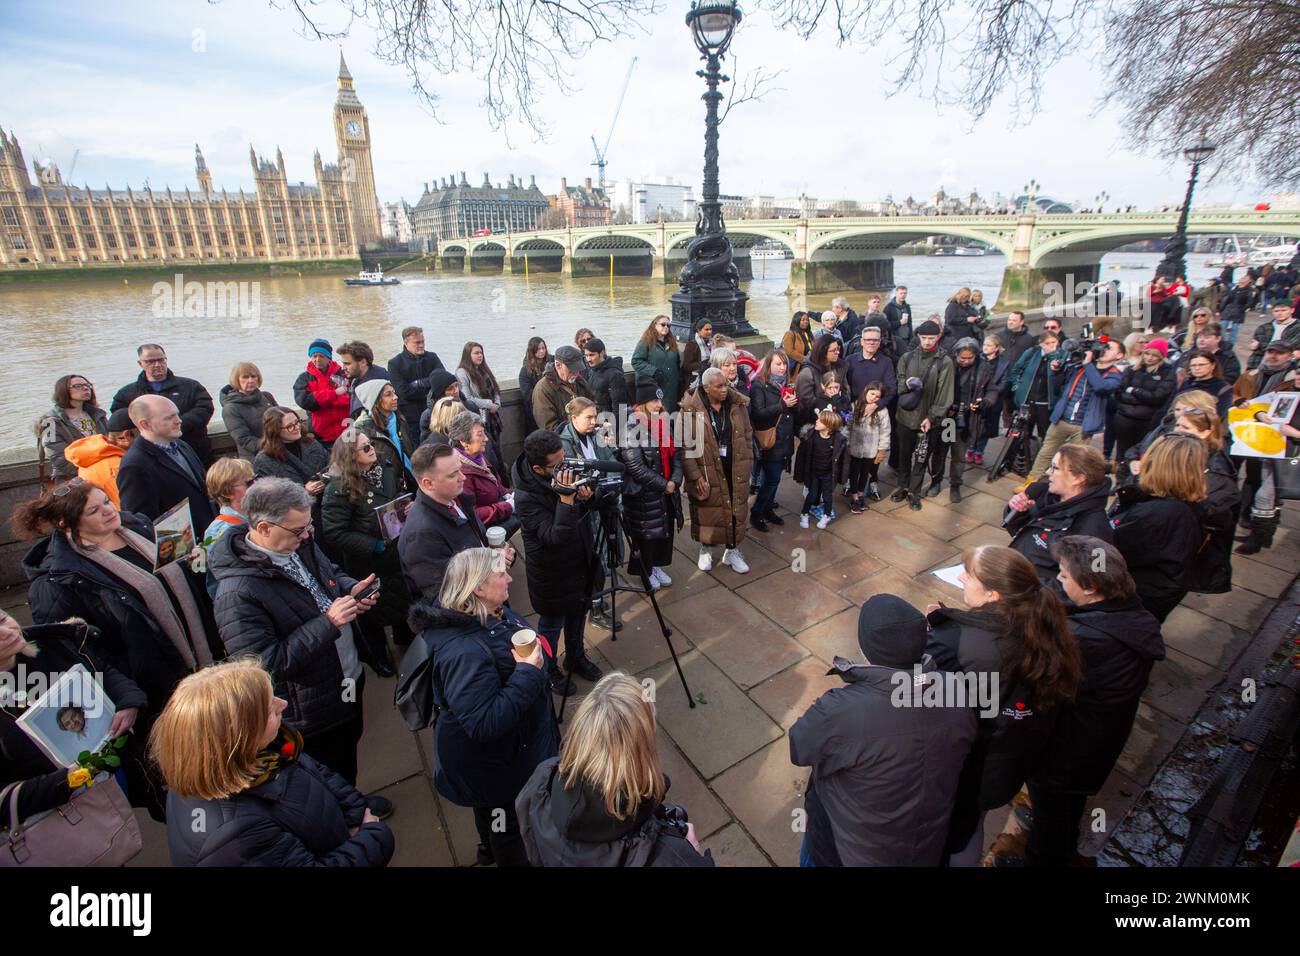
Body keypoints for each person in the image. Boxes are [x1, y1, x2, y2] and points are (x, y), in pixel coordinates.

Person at [208, 477, 384, 800]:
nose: (306, 536)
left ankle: (353, 799)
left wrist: (349, 589)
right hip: (309, 708)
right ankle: (344, 822)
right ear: (263, 528)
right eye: (298, 531)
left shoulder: (296, 540)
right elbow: (263, 666)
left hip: (344, 675)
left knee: (348, 750)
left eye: (307, 528)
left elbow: (328, 571)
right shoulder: (237, 595)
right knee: (326, 771)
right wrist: (328, 623)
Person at [18, 479, 216, 757]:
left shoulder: (139, 527)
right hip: (156, 687)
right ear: (66, 524)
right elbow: (80, 652)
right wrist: (131, 688)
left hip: (204, 661)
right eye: (93, 511)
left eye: (107, 502)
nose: (109, 511)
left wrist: (196, 562)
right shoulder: (56, 582)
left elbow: (186, 584)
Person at [925, 546, 1083, 866]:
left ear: (994, 594)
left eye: (968, 575)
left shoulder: (962, 642)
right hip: (1008, 760)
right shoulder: (1042, 624)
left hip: (970, 766)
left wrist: (940, 637)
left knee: (951, 834)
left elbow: (919, 695)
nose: (960, 577)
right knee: (971, 826)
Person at [791, 595, 976, 866]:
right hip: (924, 847)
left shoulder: (841, 711)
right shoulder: (955, 688)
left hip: (841, 851)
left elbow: (799, 748)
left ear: (867, 649)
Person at [152, 658, 393, 867]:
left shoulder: (251, 753)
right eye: (269, 709)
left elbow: (314, 772)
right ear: (239, 736)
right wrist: (372, 835)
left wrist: (355, 815)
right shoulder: (236, 836)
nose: (283, 704)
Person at [407, 547, 559, 867]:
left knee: (490, 811)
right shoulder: (463, 651)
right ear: (477, 587)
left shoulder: (487, 611)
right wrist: (529, 673)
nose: (509, 579)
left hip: (504, 755)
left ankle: (487, 848)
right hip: (497, 764)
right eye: (501, 574)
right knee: (507, 823)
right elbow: (484, 722)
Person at [1027, 537, 1164, 867]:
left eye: (1063, 574)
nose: (1059, 579)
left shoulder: (1084, 640)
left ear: (1089, 587)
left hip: (1067, 753)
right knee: (1062, 810)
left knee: (1053, 818)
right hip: (1095, 744)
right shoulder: (1130, 611)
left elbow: (1035, 684)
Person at [517, 672, 713, 867]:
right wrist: (691, 853)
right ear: (642, 748)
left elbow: (532, 846)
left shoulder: (542, 780)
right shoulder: (667, 855)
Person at [1, 612, 149, 830]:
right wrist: (66, 780)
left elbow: (103, 672)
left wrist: (128, 702)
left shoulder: (52, 645)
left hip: (115, 770)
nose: (7, 632)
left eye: (3, 620)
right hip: (62, 820)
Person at [512, 429, 605, 693]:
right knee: (551, 625)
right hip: (551, 574)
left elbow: (590, 506)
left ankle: (575, 657)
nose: (565, 467)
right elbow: (555, 537)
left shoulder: (563, 470)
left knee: (577, 615)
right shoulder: (526, 497)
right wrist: (566, 499)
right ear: (538, 468)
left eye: (564, 459)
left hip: (579, 563)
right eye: (556, 465)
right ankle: (548, 667)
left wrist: (588, 498)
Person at [321, 427, 416, 675]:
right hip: (368, 562)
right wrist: (372, 545)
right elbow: (334, 532)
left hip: (395, 549)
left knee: (399, 597)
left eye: (371, 444)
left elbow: (396, 496)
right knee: (371, 610)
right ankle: (378, 656)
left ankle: (402, 635)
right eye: (365, 447)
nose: (372, 448)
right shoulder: (338, 489)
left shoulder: (385, 469)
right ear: (351, 456)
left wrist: (406, 507)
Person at [1107, 433, 1205, 623]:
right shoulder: (1178, 505)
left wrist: (1090, 559)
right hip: (1153, 594)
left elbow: (1108, 555)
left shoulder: (1157, 514)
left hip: (1133, 600)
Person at [398, 442, 499, 600]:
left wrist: (497, 557)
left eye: (460, 469)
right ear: (428, 483)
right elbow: (443, 596)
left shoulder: (456, 498)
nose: (463, 477)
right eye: (453, 475)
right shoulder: (421, 535)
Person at [1005, 444, 1113, 585]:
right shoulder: (1047, 497)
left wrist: (1026, 589)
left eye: (1055, 468)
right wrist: (1017, 511)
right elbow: (1019, 532)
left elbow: (1090, 587)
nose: (1048, 472)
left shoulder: (1095, 531)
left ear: (1078, 478)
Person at [681, 367, 754, 573]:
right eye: (719, 386)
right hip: (706, 470)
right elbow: (685, 447)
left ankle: (732, 550)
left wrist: (748, 459)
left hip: (735, 467)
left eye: (726, 385)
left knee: (735, 509)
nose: (724, 389)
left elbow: (747, 434)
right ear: (706, 388)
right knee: (707, 512)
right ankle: (706, 548)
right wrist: (695, 476)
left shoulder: (738, 404)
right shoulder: (689, 410)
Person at [559, 397, 621, 630]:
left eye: (596, 417)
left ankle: (599, 598)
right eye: (589, 417)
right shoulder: (564, 443)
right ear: (573, 418)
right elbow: (574, 479)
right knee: (591, 559)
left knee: (606, 555)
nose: (594, 422)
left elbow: (611, 462)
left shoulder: (595, 435)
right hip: (584, 512)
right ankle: (595, 607)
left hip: (603, 503)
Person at [1023, 339, 1125, 483]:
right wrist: (1056, 371)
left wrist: (1088, 364)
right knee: (1046, 452)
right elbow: (1059, 384)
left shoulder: (1115, 375)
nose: (1104, 350)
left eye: (1109, 348)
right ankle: (1031, 481)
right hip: (1062, 418)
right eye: (1104, 347)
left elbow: (1101, 387)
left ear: (1119, 355)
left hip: (1084, 425)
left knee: (1074, 460)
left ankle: (1064, 486)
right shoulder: (1082, 365)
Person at [117, 394, 218, 534]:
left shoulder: (182, 445)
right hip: (181, 545)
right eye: (169, 417)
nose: (179, 421)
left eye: (177, 414)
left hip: (208, 532)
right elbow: (140, 521)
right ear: (145, 424)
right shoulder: (135, 465)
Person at [619, 381, 683, 591]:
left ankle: (655, 566)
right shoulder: (630, 428)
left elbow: (676, 456)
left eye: (660, 399)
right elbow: (636, 467)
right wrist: (665, 485)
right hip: (646, 494)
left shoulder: (664, 423)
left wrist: (674, 479)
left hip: (665, 489)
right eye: (654, 400)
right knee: (646, 536)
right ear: (643, 403)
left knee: (663, 532)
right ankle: (645, 571)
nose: (659, 404)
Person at [110, 344, 215, 465]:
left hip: (192, 447)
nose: (157, 364)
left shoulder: (191, 386)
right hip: (151, 454)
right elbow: (121, 420)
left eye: (161, 360)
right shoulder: (126, 394)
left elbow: (205, 409)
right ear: (140, 364)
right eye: (150, 361)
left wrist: (176, 424)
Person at [890, 320, 954, 510]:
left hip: (927, 421)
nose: (927, 342)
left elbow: (945, 394)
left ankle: (914, 492)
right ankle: (902, 486)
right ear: (918, 336)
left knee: (921, 458)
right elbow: (899, 383)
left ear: (938, 337)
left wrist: (932, 417)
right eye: (924, 337)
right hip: (905, 417)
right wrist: (908, 384)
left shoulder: (945, 362)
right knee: (903, 455)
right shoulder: (907, 358)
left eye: (931, 338)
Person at [1174, 408, 1239, 593]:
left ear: (1205, 432)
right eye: (1177, 424)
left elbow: (1216, 515)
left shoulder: (1216, 470)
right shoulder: (1184, 451)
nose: (1178, 429)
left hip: (1185, 552)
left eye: (1186, 427)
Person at [252, 407, 331, 528]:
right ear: (275, 430)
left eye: (297, 422)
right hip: (297, 519)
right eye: (290, 426)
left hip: (327, 508)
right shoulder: (264, 461)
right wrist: (304, 492)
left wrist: (325, 479)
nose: (296, 427)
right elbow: (270, 499)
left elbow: (330, 465)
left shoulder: (311, 443)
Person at [926, 337, 981, 502]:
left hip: (965, 419)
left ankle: (955, 485)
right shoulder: (948, 365)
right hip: (948, 418)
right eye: (962, 358)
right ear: (956, 354)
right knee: (940, 452)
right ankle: (936, 481)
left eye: (970, 358)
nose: (965, 361)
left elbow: (991, 389)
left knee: (958, 455)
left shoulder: (981, 369)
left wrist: (982, 401)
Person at [748, 350, 798, 531]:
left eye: (785, 364)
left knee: (773, 479)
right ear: (768, 365)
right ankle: (757, 511)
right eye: (778, 364)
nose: (783, 368)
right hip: (770, 440)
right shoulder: (758, 386)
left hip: (784, 438)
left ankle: (767, 508)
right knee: (772, 479)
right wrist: (783, 405)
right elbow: (758, 414)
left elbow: (790, 414)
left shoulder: (788, 384)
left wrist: (794, 405)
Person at [449, 410, 517, 538]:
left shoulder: (478, 457)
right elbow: (472, 514)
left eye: (484, 433)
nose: (486, 439)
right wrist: (507, 506)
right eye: (480, 434)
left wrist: (507, 494)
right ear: (464, 442)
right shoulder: (461, 474)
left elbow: (496, 485)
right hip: (486, 533)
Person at [1112, 338, 1177, 464]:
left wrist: (1134, 391)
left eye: (1155, 355)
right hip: (1124, 418)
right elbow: (1120, 392)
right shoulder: (1132, 369)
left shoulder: (1167, 373)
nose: (1150, 358)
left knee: (1139, 452)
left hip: (1146, 421)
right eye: (1147, 353)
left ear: (1161, 357)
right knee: (1121, 453)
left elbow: (1158, 397)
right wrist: (1142, 397)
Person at [39, 374, 108, 480]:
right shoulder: (49, 422)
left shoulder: (98, 415)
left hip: (105, 472)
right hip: (73, 479)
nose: (85, 388)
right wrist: (89, 472)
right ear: (63, 391)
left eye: (87, 385)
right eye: (77, 386)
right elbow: (57, 458)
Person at [63, 407, 135, 508]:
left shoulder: (95, 454)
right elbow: (128, 509)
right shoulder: (116, 467)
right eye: (145, 432)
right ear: (126, 436)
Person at [352, 380, 416, 493]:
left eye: (394, 392)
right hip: (389, 489)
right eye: (388, 394)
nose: (395, 397)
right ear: (375, 401)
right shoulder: (362, 431)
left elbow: (410, 451)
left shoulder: (399, 420)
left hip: (412, 478)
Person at [201, 457, 254, 594]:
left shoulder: (255, 515)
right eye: (248, 483)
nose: (255, 485)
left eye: (255, 479)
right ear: (226, 493)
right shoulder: (220, 531)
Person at [455, 342, 506, 476]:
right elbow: (467, 398)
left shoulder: (484, 370)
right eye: (476, 353)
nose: (480, 356)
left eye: (481, 353)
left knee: (497, 449)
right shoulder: (462, 373)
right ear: (468, 355)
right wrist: (489, 404)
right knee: (487, 451)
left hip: (494, 417)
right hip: (480, 416)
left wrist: (497, 402)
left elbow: (495, 389)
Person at [292, 338, 352, 447]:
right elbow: (305, 402)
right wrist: (334, 394)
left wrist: (321, 401)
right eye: (314, 356)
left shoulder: (343, 374)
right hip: (320, 434)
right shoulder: (304, 378)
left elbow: (352, 398)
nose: (317, 359)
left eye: (321, 356)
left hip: (347, 428)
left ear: (329, 357)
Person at [794, 408, 847, 529]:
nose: (816, 421)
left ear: (828, 425)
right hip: (814, 473)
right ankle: (804, 513)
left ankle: (827, 515)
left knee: (828, 496)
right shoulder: (811, 436)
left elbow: (844, 461)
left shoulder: (838, 440)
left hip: (828, 474)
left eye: (820, 420)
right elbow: (802, 457)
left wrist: (843, 476)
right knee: (811, 495)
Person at [1008, 330, 1065, 443]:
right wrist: (1016, 386)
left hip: (1046, 402)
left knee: (1045, 434)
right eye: (1047, 343)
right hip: (1027, 400)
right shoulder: (1032, 352)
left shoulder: (1061, 355)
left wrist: (1052, 355)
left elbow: (1060, 375)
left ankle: (1042, 458)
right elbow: (1016, 369)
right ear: (1041, 344)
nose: (1051, 345)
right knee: (1021, 433)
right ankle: (1021, 456)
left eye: (1054, 342)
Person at [387, 326, 445, 428]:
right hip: (410, 417)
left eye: (423, 341)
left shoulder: (432, 357)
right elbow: (403, 392)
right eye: (417, 343)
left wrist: (419, 383)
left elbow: (442, 381)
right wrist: (430, 389)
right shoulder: (395, 364)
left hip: (435, 413)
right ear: (406, 343)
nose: (421, 345)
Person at [219, 362, 278, 461]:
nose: (250, 380)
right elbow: (244, 439)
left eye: (253, 376)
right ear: (236, 379)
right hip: (256, 457)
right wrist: (271, 447)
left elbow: (282, 419)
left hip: (279, 451)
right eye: (245, 377)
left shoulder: (267, 396)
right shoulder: (231, 408)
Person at [846, 381, 890, 512]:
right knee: (854, 473)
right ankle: (854, 497)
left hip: (871, 450)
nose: (873, 398)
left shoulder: (882, 411)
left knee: (866, 473)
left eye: (877, 397)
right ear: (866, 391)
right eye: (872, 394)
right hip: (854, 448)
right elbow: (847, 427)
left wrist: (882, 449)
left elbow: (885, 431)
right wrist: (847, 444)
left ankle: (860, 495)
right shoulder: (854, 406)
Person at [967, 334, 1009, 465]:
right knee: (972, 425)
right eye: (984, 345)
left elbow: (1005, 381)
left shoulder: (1003, 363)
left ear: (996, 348)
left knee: (986, 428)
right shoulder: (978, 359)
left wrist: (994, 392)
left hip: (992, 400)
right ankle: (970, 449)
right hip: (977, 396)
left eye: (989, 345)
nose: (985, 347)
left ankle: (979, 452)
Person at [532, 345, 594, 433]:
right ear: (558, 365)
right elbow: (549, 427)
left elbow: (594, 404)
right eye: (572, 369)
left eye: (578, 369)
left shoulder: (579, 381)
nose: (576, 373)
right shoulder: (542, 389)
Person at [631, 315, 684, 414]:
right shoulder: (645, 342)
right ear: (654, 325)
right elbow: (636, 361)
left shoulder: (672, 343)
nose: (666, 327)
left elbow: (677, 363)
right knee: (655, 419)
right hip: (654, 388)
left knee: (668, 418)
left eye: (669, 325)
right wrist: (653, 372)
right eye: (663, 324)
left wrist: (678, 379)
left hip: (671, 389)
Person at [796, 334, 848, 424]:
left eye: (838, 349)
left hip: (839, 416)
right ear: (823, 352)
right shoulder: (807, 373)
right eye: (834, 350)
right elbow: (806, 403)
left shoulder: (841, 366)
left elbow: (846, 390)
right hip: (817, 421)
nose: (838, 352)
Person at [1168, 348, 1233, 420]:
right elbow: (1171, 407)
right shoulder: (1185, 383)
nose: (1197, 368)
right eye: (1193, 365)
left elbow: (1217, 417)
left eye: (1201, 365)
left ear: (1213, 365)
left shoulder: (1223, 388)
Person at [337, 341, 390, 417]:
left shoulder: (376, 386)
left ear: (363, 362)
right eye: (343, 363)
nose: (343, 368)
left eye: (347, 364)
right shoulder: (356, 376)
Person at [845, 325, 897, 402]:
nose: (871, 342)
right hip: (854, 406)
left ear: (879, 342)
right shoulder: (850, 360)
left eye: (875, 340)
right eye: (868, 339)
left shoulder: (886, 362)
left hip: (877, 406)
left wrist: (877, 405)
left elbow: (891, 389)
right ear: (862, 341)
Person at [581, 337, 629, 415]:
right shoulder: (591, 370)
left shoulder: (615, 375)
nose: (588, 359)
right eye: (586, 356)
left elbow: (620, 405)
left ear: (602, 353)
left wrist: (616, 426)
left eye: (592, 355)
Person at [1247, 301, 1300, 370]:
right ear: (1273, 312)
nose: (1280, 313)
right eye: (1276, 311)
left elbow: (1287, 348)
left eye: (1284, 310)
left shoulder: (1298, 328)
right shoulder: (1264, 327)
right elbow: (1257, 347)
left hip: (1286, 367)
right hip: (1258, 364)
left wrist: (1260, 346)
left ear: (1292, 310)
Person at [517, 337, 549, 435]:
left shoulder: (551, 362)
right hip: (535, 411)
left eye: (543, 348)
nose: (542, 351)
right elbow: (527, 394)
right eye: (539, 349)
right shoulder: (525, 371)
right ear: (532, 350)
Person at [680, 318, 714, 388]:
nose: (709, 332)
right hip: (695, 380)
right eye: (706, 329)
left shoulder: (712, 343)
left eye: (710, 329)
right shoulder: (691, 345)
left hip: (711, 377)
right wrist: (705, 364)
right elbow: (687, 366)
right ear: (699, 330)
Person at [782, 311, 815, 377]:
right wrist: (805, 359)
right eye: (803, 320)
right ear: (797, 321)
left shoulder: (809, 334)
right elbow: (789, 351)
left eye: (807, 320)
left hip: (811, 364)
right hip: (798, 367)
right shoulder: (790, 334)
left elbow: (815, 347)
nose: (806, 322)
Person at [883, 286, 913, 350]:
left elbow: (910, 323)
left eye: (905, 293)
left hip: (907, 339)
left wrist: (911, 337)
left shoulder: (907, 307)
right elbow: (886, 325)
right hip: (895, 339)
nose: (903, 295)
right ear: (896, 294)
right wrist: (900, 322)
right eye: (901, 293)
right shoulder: (888, 308)